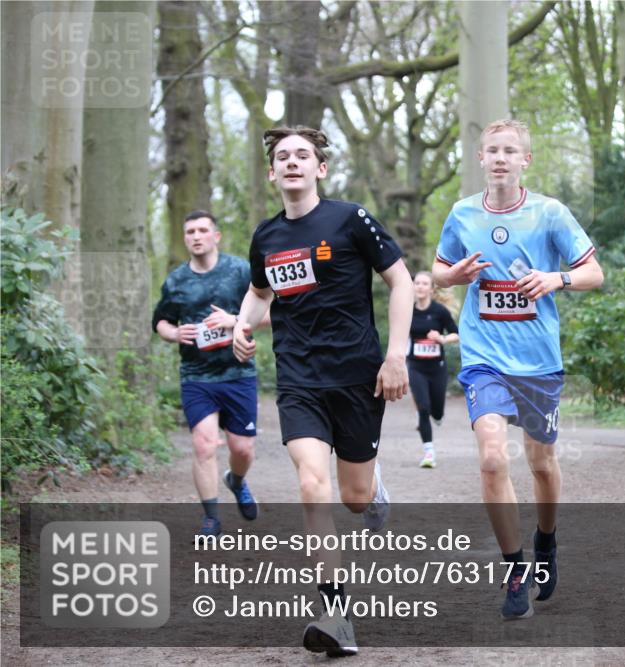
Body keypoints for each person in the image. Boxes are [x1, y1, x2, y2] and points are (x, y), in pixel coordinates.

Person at [233, 125, 412, 657]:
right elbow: (259, 292)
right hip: (299, 380)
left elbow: (401, 281)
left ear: (320, 168)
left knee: (353, 499)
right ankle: (336, 615)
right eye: (283, 157)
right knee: (313, 485)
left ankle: (373, 487)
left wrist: (395, 355)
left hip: (357, 376)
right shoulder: (266, 237)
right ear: (272, 173)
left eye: (302, 155)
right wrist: (242, 325)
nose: (292, 162)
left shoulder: (350, 219)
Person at [433, 119, 603, 621]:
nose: (501, 158)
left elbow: (594, 272)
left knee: (541, 464)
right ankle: (514, 570)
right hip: (484, 356)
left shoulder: (550, 213)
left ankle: (546, 541)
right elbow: (440, 270)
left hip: (537, 362)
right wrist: (453, 275)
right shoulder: (463, 213)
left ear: (525, 159)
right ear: (480, 158)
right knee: (491, 459)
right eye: (493, 150)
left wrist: (556, 279)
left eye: (510, 150)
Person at [152, 210, 266, 538]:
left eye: (203, 230)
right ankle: (211, 519)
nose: (196, 236)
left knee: (242, 450)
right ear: (185, 238)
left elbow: (273, 310)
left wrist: (237, 321)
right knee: (203, 445)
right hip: (196, 376)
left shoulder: (240, 271)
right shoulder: (176, 281)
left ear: (216, 236)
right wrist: (175, 333)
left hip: (238, 372)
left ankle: (237, 481)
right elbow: (160, 321)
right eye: (190, 232)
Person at [408, 271, 459, 468]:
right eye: (417, 283)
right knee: (423, 408)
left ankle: (437, 416)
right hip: (416, 367)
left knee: (436, 412)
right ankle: (429, 452)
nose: (420, 286)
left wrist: (442, 339)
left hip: (437, 368)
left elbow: (456, 334)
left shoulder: (439, 311)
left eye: (424, 283)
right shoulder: (407, 310)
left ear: (431, 289)